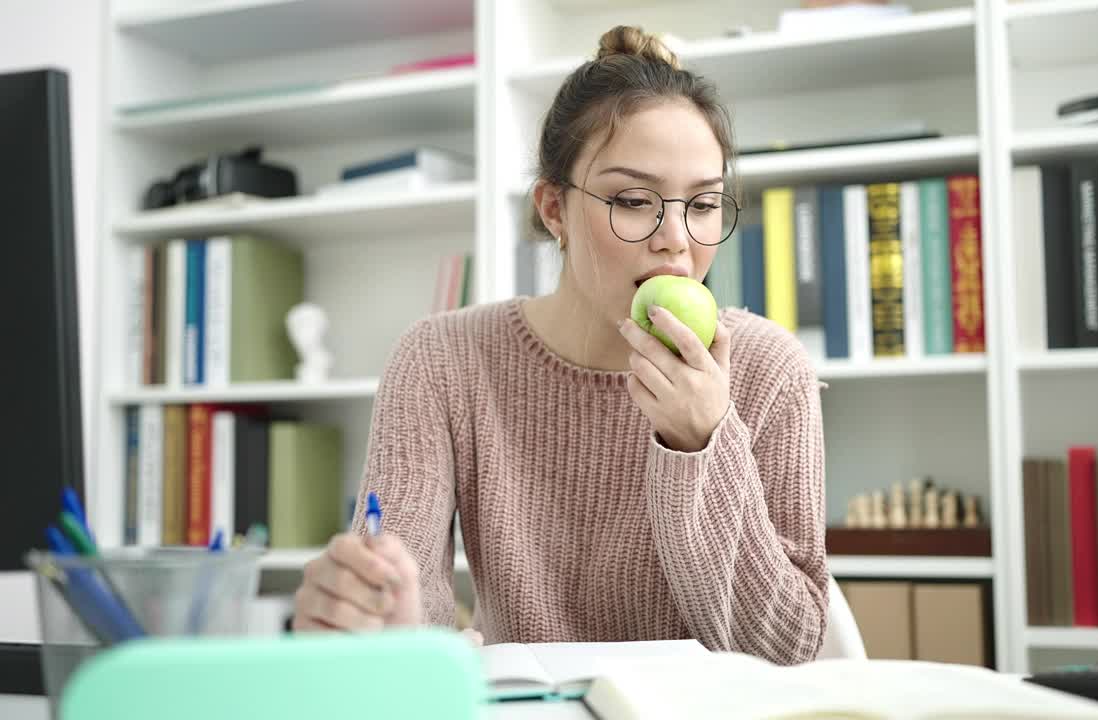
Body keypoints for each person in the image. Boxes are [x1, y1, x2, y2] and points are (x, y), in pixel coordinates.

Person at [292, 25, 828, 665]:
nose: (677, 241)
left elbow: (787, 650)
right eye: (634, 200)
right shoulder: (442, 361)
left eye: (705, 203)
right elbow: (408, 606)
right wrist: (375, 615)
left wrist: (701, 445)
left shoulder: (770, 370)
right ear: (553, 209)